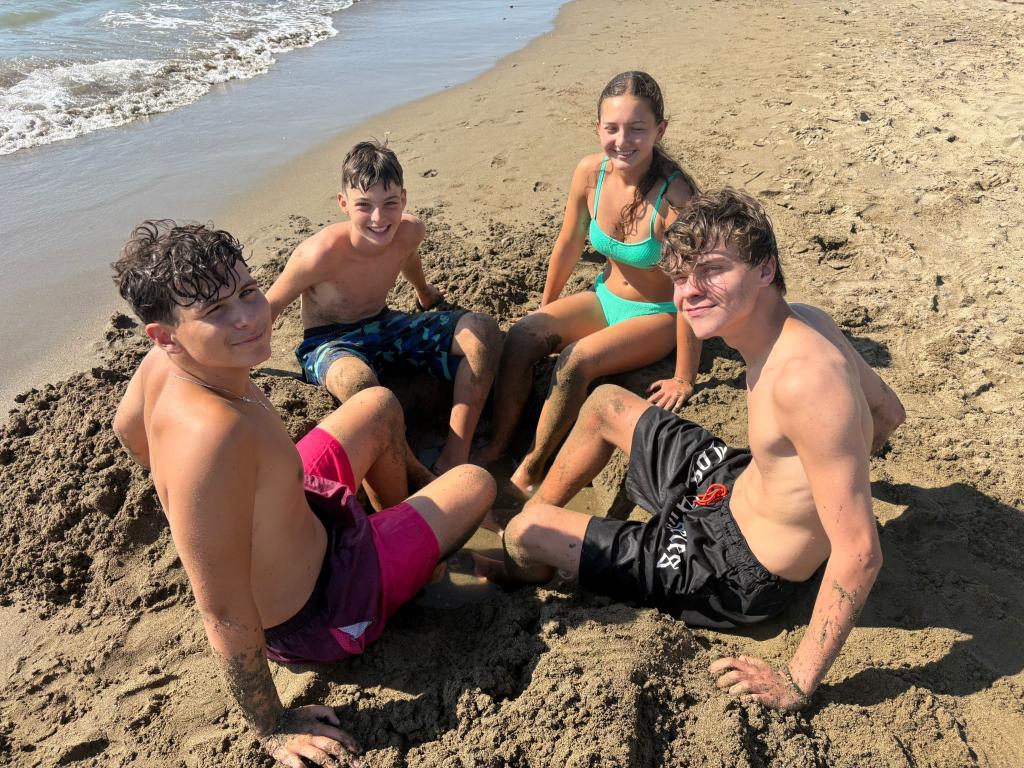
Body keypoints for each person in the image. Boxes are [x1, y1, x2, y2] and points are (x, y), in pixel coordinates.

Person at [480, 189, 906, 711]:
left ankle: (525, 559)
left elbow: (860, 552)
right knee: (607, 405)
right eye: (681, 278)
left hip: (731, 566)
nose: (689, 293)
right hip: (732, 484)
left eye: (712, 271)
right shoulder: (807, 320)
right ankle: (541, 503)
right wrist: (825, 481)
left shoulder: (806, 383)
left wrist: (796, 683)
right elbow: (888, 413)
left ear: (766, 269)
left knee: (524, 535)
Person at [111, 220, 496, 767]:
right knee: (477, 484)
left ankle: (402, 539)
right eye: (215, 311)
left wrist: (208, 509)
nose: (247, 317)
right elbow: (222, 611)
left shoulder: (164, 365)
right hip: (322, 607)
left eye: (248, 292)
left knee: (378, 406)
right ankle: (403, 567)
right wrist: (271, 724)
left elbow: (128, 429)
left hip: (304, 507)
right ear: (166, 335)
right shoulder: (211, 440)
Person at [473, 71, 703, 497]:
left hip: (658, 315)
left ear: (660, 130)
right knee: (523, 336)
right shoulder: (589, 173)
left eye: (637, 129)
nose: (623, 141)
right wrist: (546, 307)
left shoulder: (675, 199)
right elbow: (568, 243)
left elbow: (692, 290)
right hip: (604, 298)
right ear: (598, 128)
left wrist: (684, 377)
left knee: (576, 360)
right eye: (612, 128)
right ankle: (500, 444)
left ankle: (530, 470)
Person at [266, 140, 502, 474]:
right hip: (330, 342)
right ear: (343, 203)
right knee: (359, 384)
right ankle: (415, 472)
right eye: (364, 205)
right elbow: (271, 305)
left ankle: (455, 455)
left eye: (389, 203)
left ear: (403, 199)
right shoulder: (318, 254)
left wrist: (424, 293)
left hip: (385, 323)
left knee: (483, 331)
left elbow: (409, 259)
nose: (378, 218)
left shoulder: (410, 232)